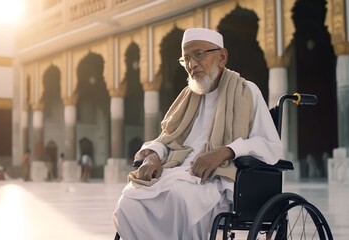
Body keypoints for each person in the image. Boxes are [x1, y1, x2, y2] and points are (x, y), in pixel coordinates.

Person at [113, 28, 283, 239]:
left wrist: (226, 151)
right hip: (175, 172)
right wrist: (153, 155)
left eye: (198, 55)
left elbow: (270, 145)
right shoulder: (188, 96)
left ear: (222, 57)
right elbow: (167, 138)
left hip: (216, 181)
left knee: (179, 198)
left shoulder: (246, 91)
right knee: (129, 201)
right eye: (186, 59)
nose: (192, 65)